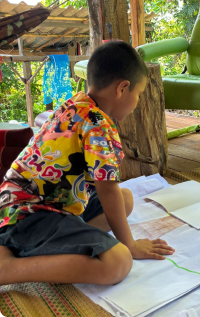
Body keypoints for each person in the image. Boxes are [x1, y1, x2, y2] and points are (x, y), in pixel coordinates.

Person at [0, 41, 174, 286]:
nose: (137, 103)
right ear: (123, 88)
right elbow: (107, 189)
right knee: (118, 262)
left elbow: (110, 193)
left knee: (125, 200)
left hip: (28, 205)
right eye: (139, 94)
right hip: (28, 215)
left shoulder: (77, 104)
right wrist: (130, 244)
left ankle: (51, 242)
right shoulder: (99, 124)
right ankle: (7, 268)